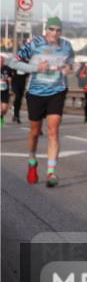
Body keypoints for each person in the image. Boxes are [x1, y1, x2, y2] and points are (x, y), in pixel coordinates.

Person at [10, 17, 76, 187]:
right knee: (35, 131)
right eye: (52, 29)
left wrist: (69, 68)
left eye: (58, 30)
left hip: (57, 91)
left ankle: (51, 173)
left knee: (53, 130)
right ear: (46, 30)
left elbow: (71, 64)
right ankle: (32, 160)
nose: (55, 33)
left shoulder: (66, 46)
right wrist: (35, 68)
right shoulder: (34, 43)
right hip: (36, 93)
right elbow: (14, 62)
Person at [10, 58, 27, 123]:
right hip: (15, 84)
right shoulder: (15, 64)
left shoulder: (27, 65)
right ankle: (16, 114)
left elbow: (28, 74)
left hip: (22, 84)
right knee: (17, 97)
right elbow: (10, 73)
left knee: (19, 100)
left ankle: (16, 115)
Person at [1, 54, 13, 126]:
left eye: (2, 60)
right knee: (1, 109)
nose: (0, 62)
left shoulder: (7, 69)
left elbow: (10, 77)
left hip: (5, 90)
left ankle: (1, 116)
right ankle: (0, 120)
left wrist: (9, 80)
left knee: (5, 109)